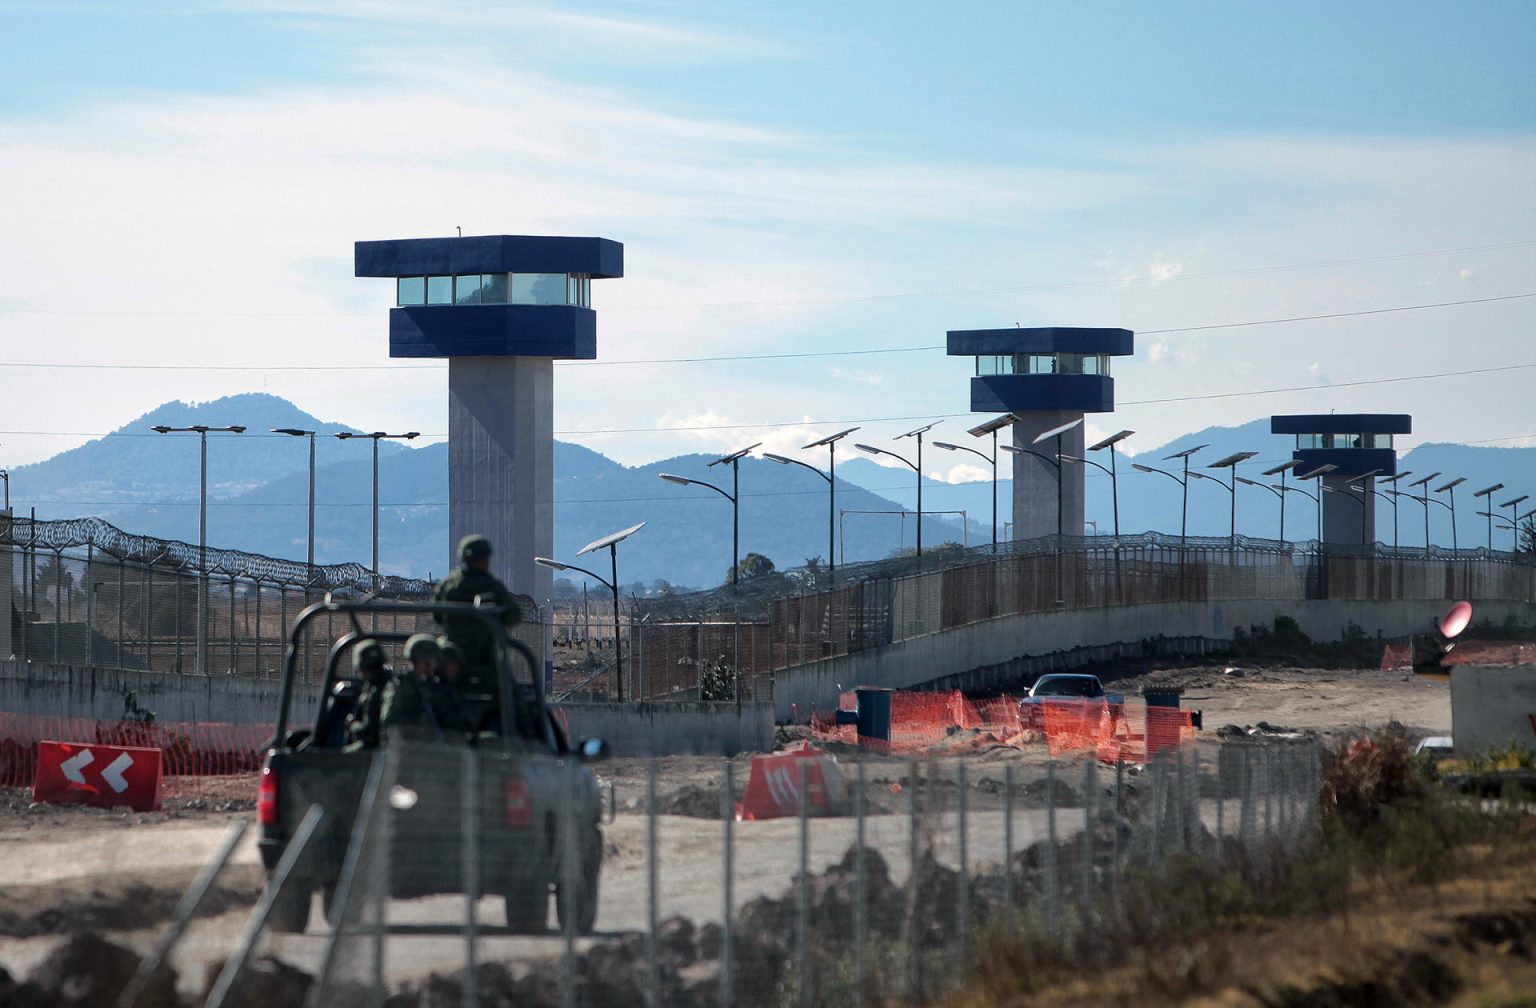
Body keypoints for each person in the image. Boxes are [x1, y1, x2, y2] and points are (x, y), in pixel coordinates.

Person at [432, 535, 520, 699]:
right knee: (516, 702)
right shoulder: (492, 586)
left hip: (452, 656)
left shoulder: (447, 585)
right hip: (485, 658)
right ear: (486, 558)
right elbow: (513, 615)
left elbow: (437, 616)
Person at [382, 633, 442, 732]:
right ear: (426, 661)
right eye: (434, 658)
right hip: (409, 743)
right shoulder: (401, 686)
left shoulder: (430, 684)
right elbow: (390, 721)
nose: (436, 663)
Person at [344, 639, 389, 752]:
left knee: (342, 757)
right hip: (391, 745)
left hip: (378, 749)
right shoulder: (390, 682)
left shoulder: (376, 692)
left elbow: (369, 733)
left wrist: (352, 725)